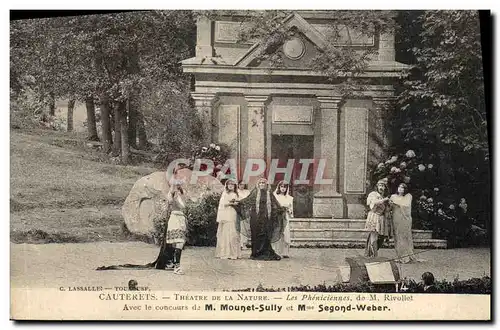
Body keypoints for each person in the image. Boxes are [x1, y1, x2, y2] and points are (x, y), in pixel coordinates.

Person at [237, 178, 285, 261]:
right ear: (258, 184)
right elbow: (247, 200)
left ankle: (265, 252)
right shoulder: (254, 192)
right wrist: (238, 203)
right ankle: (256, 253)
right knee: (256, 234)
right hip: (256, 217)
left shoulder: (269, 193)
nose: (262, 184)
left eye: (263, 183)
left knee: (266, 234)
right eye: (260, 183)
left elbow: (275, 203)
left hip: (267, 217)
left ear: (266, 184)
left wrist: (281, 209)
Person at [390, 183, 418, 263]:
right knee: (397, 236)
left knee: (405, 236)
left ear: (405, 189)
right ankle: (400, 256)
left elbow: (406, 205)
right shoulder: (393, 196)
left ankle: (406, 256)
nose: (400, 188)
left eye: (402, 187)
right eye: (399, 187)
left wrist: (396, 203)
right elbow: (390, 207)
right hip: (396, 218)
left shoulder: (408, 196)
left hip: (405, 218)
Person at [364, 178, 392, 258]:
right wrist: (384, 200)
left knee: (381, 238)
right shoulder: (373, 194)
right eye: (380, 185)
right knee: (374, 236)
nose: (381, 187)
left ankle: (371, 253)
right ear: (377, 186)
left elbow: (386, 210)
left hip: (381, 218)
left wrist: (389, 205)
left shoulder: (384, 196)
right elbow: (373, 203)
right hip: (374, 216)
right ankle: (374, 255)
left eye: (383, 186)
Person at [215, 179, 241, 260]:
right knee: (226, 232)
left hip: (233, 212)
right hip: (226, 214)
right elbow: (223, 204)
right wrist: (231, 203)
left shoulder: (236, 194)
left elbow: (238, 203)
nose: (231, 186)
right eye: (229, 184)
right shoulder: (225, 193)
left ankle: (233, 253)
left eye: (232, 185)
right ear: (227, 186)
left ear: (234, 186)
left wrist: (236, 203)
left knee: (233, 232)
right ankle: (225, 252)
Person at [272, 181, 293, 258]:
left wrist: (288, 210)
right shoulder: (275, 196)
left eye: (285, 187)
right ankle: (277, 251)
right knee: (278, 233)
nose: (283, 188)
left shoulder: (289, 198)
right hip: (277, 217)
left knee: (285, 233)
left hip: (285, 217)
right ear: (279, 187)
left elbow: (291, 210)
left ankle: (285, 252)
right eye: (282, 187)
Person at [237, 181, 251, 250]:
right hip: (238, 210)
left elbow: (249, 200)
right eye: (240, 184)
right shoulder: (236, 191)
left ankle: (244, 243)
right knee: (238, 226)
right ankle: (239, 244)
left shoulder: (247, 192)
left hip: (246, 210)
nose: (242, 186)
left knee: (245, 227)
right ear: (238, 185)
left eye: (243, 184)